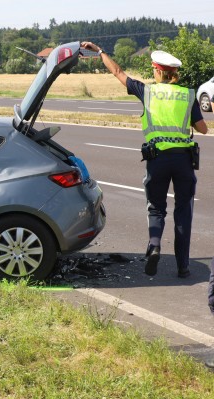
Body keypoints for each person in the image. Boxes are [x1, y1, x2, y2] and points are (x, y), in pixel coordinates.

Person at [81, 41, 208, 278]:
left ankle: (155, 245)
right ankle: (183, 266)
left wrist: (100, 52)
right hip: (183, 161)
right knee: (183, 212)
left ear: (158, 71)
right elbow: (202, 128)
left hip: (157, 159)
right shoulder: (188, 94)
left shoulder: (147, 91)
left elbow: (118, 73)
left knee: (157, 208)